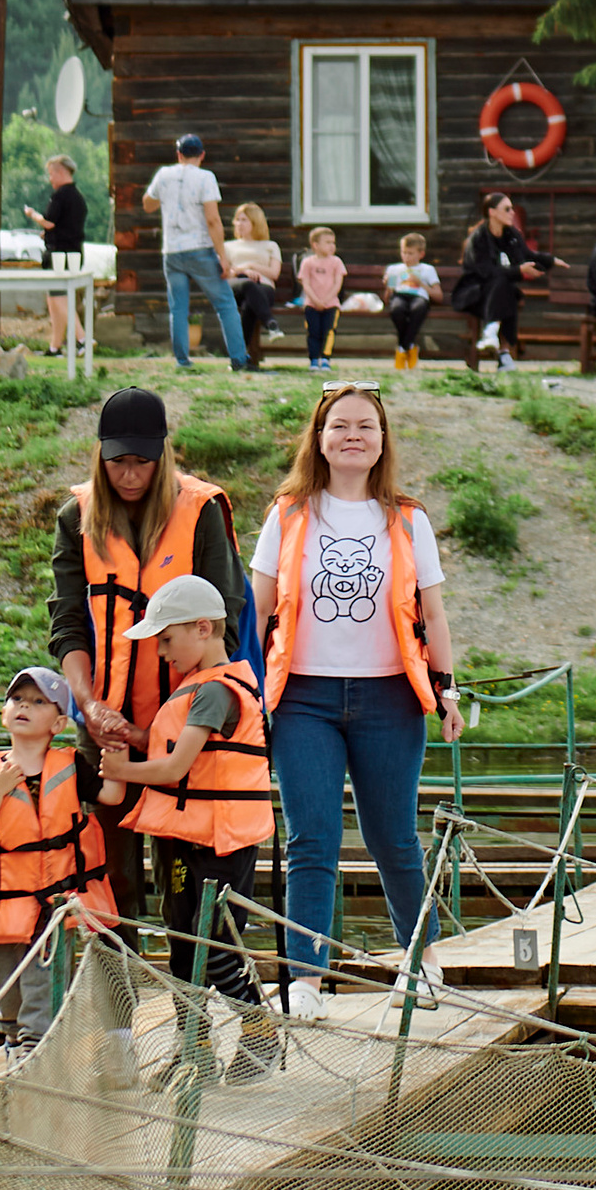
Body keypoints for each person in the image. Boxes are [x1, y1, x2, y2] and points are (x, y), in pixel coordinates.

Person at [250, 386, 461, 1016]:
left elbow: (433, 613)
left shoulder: (408, 518)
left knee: (392, 835)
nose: (352, 435)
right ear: (318, 438)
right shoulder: (288, 513)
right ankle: (304, 980)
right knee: (311, 838)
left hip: (390, 696)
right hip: (304, 698)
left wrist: (447, 688)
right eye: (339, 425)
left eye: (365, 426)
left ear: (382, 439)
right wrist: (247, 689)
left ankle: (420, 959)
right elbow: (257, 610)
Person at [49, 386, 245, 927]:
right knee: (110, 878)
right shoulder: (76, 518)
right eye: (117, 463)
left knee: (185, 878)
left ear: (163, 455)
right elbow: (68, 625)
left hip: (185, 727)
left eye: (141, 462)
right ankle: (119, 1003)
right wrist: (89, 707)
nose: (129, 475)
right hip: (105, 725)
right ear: (100, 456)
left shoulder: (201, 511)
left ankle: (190, 1005)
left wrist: (163, 729)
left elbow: (221, 620)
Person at [89, 576, 280, 1084]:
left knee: (214, 949)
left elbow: (176, 768)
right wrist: (133, 740)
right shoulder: (194, 692)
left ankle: (261, 1038)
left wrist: (119, 771)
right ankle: (193, 1048)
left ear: (203, 628)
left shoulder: (216, 692)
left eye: (167, 640)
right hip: (179, 839)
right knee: (181, 947)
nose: (163, 652)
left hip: (219, 843)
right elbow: (171, 753)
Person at [0, 664, 117, 1055]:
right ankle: (13, 1040)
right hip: (4, 902)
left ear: (58, 722)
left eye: (38, 702)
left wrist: (117, 753)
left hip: (53, 904)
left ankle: (31, 1054)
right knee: (8, 994)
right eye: (17, 699)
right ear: (4, 712)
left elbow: (110, 795)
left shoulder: (71, 765)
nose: (24, 706)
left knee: (42, 993)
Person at [142, 130, 249, 372]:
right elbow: (212, 219)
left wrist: (167, 196)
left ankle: (182, 360)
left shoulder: (163, 174)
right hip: (199, 249)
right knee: (225, 304)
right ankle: (239, 359)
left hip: (171, 251)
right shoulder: (205, 177)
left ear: (178, 154)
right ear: (202, 155)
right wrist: (223, 257)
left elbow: (147, 204)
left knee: (178, 307)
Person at [455, 190, 543, 365]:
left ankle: (494, 337)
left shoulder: (510, 236)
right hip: (476, 292)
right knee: (503, 285)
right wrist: (516, 270)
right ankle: (502, 349)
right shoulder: (478, 238)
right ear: (492, 213)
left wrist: (533, 266)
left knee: (507, 289)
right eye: (507, 209)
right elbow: (485, 272)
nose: (512, 214)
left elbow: (521, 260)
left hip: (499, 292)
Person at [23, 152, 91, 353]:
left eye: (52, 174)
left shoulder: (60, 195)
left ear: (61, 172)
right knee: (54, 299)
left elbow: (50, 221)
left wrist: (32, 214)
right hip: (74, 253)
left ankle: (83, 338)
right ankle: (55, 346)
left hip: (59, 255)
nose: (50, 179)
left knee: (59, 299)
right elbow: (66, 226)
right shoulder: (78, 197)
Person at [224, 202, 283, 367]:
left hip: (264, 288)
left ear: (255, 222)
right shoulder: (228, 246)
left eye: (244, 220)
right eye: (237, 220)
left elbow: (274, 273)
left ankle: (240, 359)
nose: (239, 223)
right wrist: (243, 271)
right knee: (248, 285)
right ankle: (271, 324)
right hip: (236, 286)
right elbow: (225, 272)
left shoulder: (270, 246)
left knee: (251, 303)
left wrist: (252, 266)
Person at [384, 228, 441, 375]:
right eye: (404, 252)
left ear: (421, 254)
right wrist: (387, 285)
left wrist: (421, 283)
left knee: (418, 309)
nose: (406, 257)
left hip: (419, 296)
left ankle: (402, 348)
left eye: (410, 253)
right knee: (397, 310)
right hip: (399, 296)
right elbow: (387, 297)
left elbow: (438, 295)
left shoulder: (427, 270)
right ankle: (409, 346)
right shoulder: (394, 269)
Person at [297, 225, 347, 371]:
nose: (332, 246)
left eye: (333, 242)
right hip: (311, 304)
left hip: (331, 304)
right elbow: (305, 282)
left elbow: (338, 283)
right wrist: (315, 300)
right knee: (313, 331)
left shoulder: (336, 262)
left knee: (329, 331)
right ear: (315, 245)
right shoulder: (307, 262)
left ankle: (325, 359)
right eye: (328, 242)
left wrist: (326, 300)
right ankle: (313, 359)